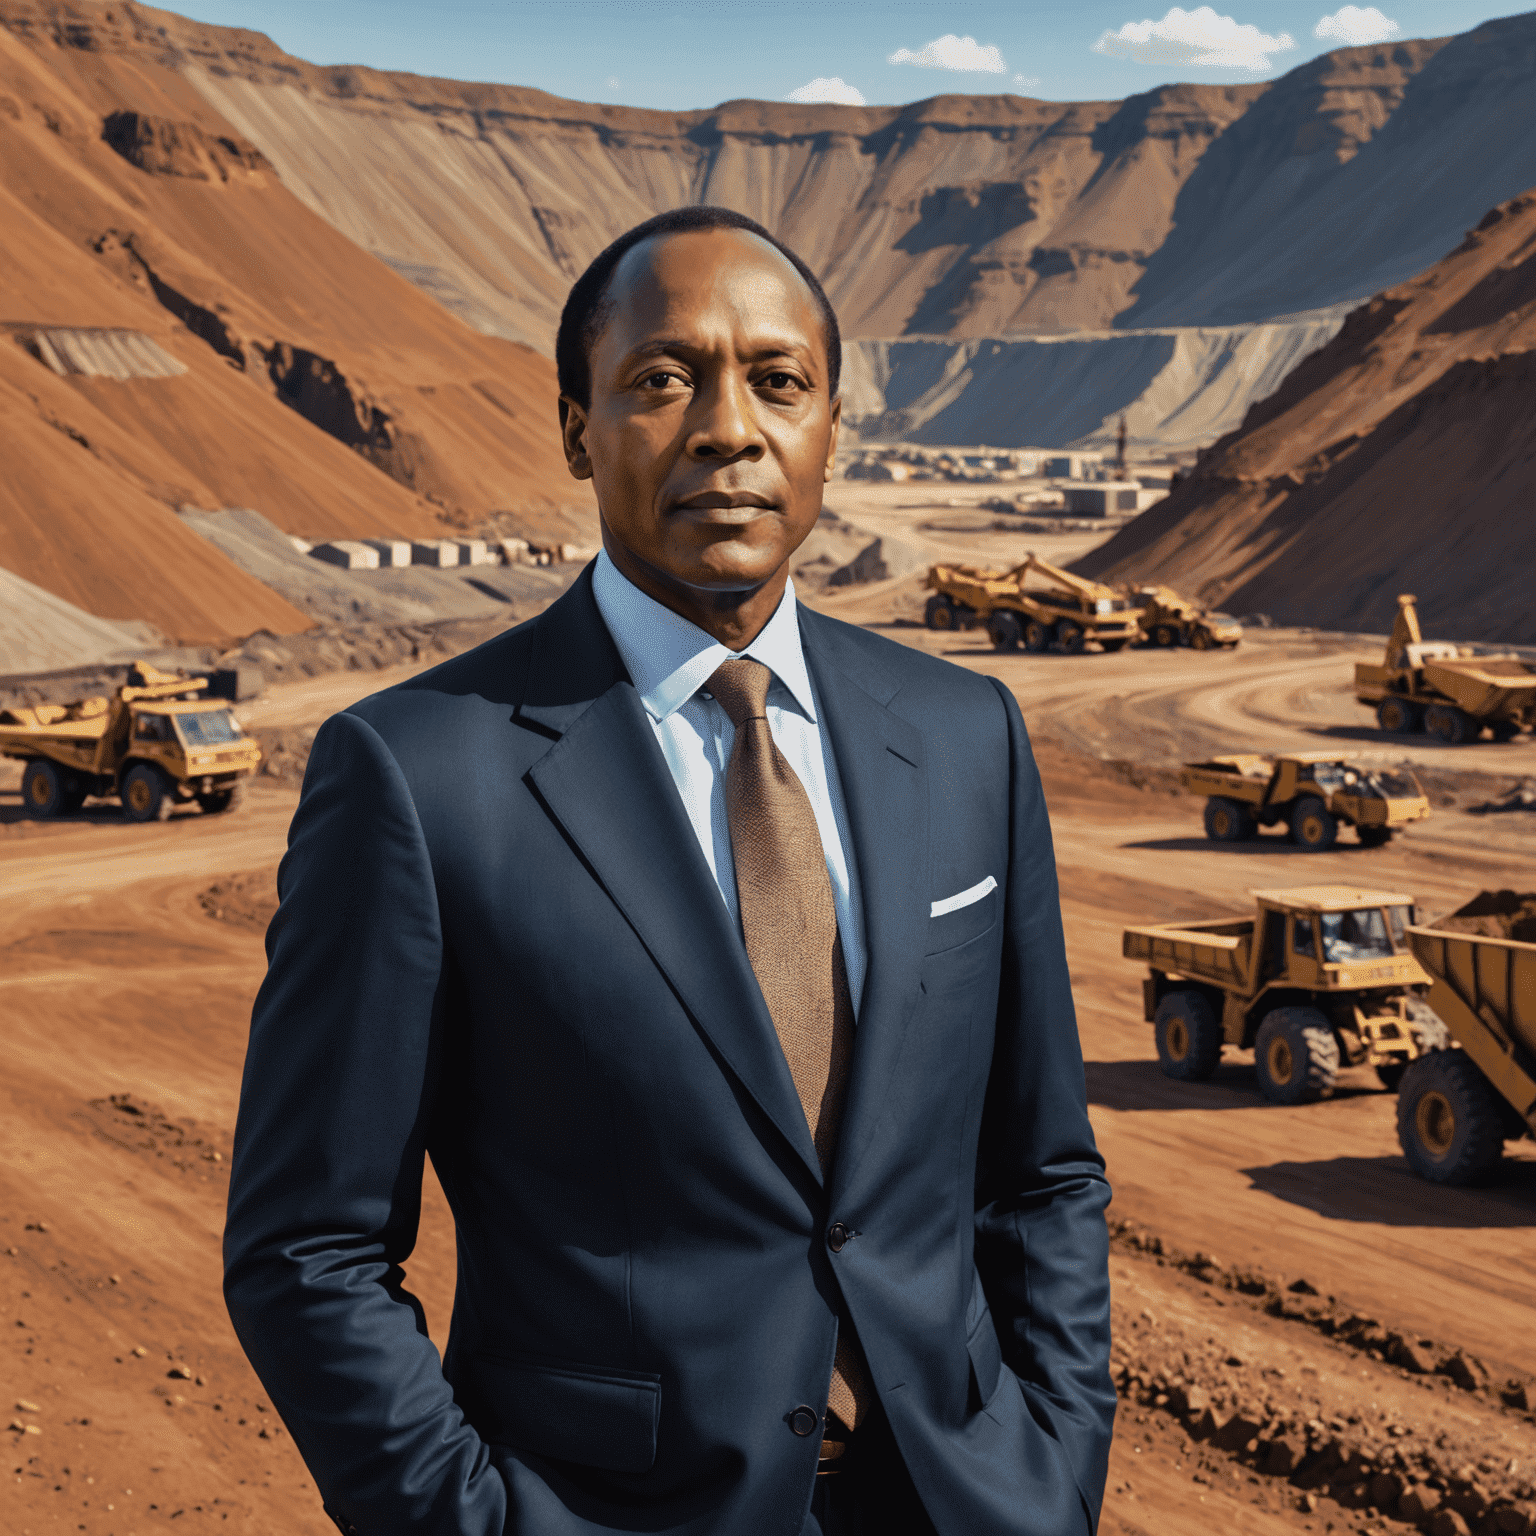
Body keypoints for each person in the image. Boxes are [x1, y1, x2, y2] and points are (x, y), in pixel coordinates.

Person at [224, 206, 1114, 1536]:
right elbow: (308, 1251)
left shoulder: (967, 732)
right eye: (660, 380)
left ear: (829, 424)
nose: (726, 429)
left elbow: (1041, 1173)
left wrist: (1051, 1465)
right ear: (577, 425)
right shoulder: (415, 776)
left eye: (777, 381)